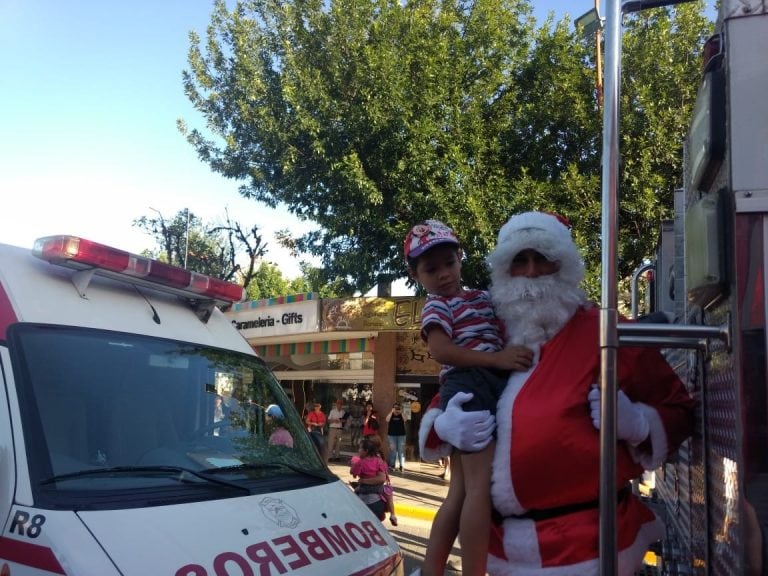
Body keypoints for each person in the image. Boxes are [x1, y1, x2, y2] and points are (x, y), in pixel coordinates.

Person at [418, 211, 696, 576]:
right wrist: (443, 424)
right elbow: (457, 386)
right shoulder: (495, 330)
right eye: (519, 260)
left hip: (587, 551)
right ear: (504, 271)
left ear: (562, 265)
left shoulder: (605, 331)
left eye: (542, 259)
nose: (531, 272)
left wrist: (637, 423)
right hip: (503, 557)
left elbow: (679, 411)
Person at [405, 218, 534, 576]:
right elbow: (442, 351)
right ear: (418, 276)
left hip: (485, 382)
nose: (444, 274)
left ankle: (432, 570)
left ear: (461, 257)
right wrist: (496, 360)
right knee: (479, 489)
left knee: (460, 491)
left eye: (449, 263)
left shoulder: (481, 297)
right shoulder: (435, 307)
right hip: (468, 385)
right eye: (432, 269)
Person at [350, 436, 398, 526]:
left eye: (360, 448)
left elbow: (353, 473)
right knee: (389, 496)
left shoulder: (362, 461)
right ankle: (393, 514)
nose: (359, 450)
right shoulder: (379, 458)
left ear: (367, 449)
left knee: (356, 492)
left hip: (366, 490)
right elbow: (383, 475)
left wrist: (363, 480)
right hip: (376, 493)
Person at [385, 402, 407, 472]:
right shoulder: (391, 414)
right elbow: (387, 420)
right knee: (393, 451)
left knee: (401, 451)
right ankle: (392, 465)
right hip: (391, 435)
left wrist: (401, 412)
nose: (396, 409)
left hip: (401, 435)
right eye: (395, 407)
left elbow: (405, 419)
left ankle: (402, 466)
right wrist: (391, 412)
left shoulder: (401, 414)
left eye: (398, 408)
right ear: (393, 408)